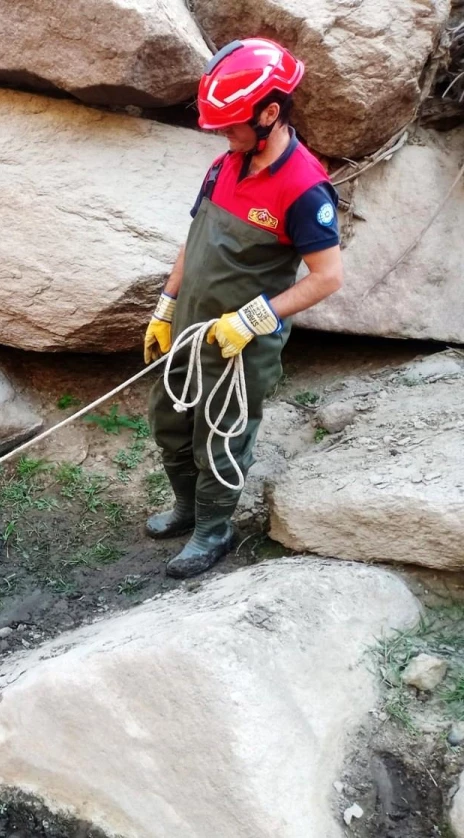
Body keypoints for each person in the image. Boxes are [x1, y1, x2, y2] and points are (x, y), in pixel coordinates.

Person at [142, 38, 344, 579]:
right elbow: (195, 236)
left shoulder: (306, 189)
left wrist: (253, 320)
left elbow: (328, 277)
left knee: (222, 433)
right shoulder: (224, 165)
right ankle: (187, 508)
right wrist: (166, 305)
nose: (224, 137)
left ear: (270, 113)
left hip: (241, 343)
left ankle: (215, 529)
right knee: (171, 419)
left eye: (232, 125)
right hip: (193, 326)